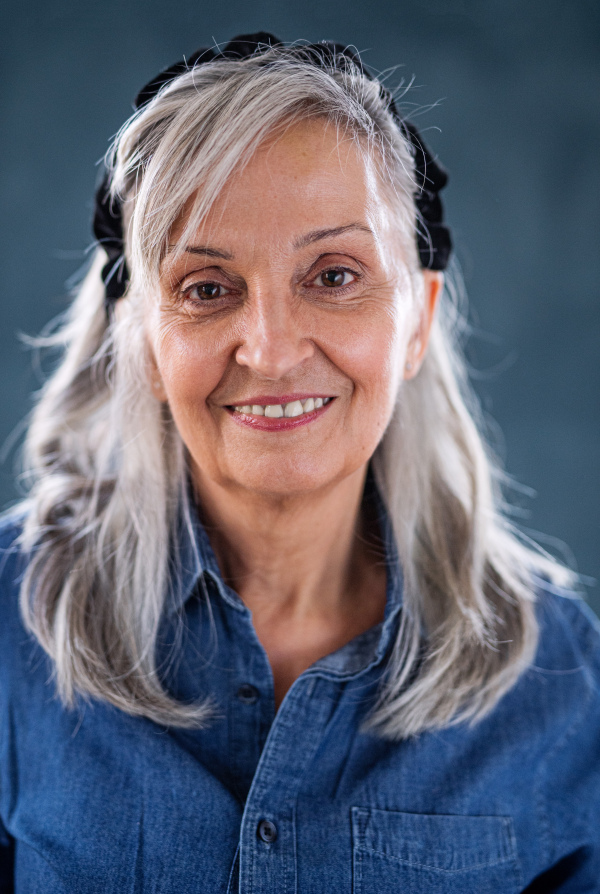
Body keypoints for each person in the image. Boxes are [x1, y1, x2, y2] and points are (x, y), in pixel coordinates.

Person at [0, 31, 598, 893]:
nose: (273, 352)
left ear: (418, 321)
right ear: (143, 340)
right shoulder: (12, 619)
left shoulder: (563, 675)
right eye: (208, 288)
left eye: (334, 274)